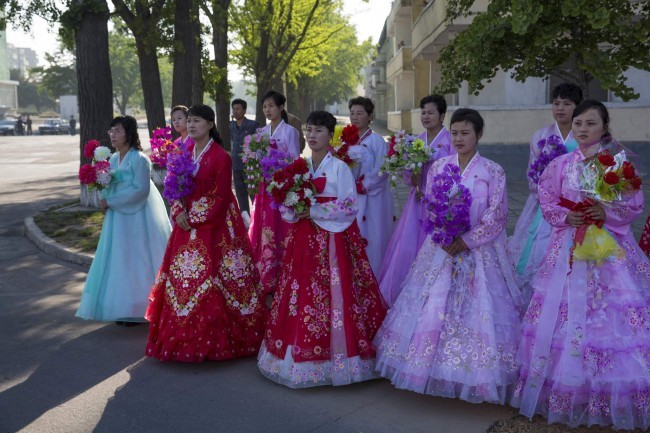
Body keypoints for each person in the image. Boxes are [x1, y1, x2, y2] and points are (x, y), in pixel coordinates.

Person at [511, 100, 650, 430]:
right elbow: (546, 198)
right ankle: (568, 389)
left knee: (608, 317)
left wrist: (607, 213)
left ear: (604, 126)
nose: (583, 129)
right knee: (560, 316)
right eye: (578, 124)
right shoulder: (559, 165)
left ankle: (609, 392)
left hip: (606, 250)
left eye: (591, 123)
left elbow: (633, 204)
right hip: (568, 248)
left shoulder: (616, 164)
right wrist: (565, 216)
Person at [373, 108, 523, 404]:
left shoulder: (493, 171)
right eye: (454, 132)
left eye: (465, 132)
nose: (458, 138)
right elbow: (429, 205)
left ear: (479, 135)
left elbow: (498, 215)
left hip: (480, 250)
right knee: (434, 305)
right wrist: (444, 232)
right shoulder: (439, 166)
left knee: (480, 306)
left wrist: (467, 240)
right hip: (441, 247)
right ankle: (430, 369)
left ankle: (475, 374)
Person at [258, 111, 386, 388]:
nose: (312, 135)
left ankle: (340, 358)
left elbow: (349, 206)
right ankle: (298, 354)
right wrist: (293, 208)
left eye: (318, 130)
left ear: (330, 135)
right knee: (301, 292)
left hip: (332, 240)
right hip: (303, 240)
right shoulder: (299, 166)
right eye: (309, 130)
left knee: (334, 293)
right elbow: (286, 203)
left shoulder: (339, 168)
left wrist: (312, 208)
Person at [145, 104, 266, 362]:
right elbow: (173, 184)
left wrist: (193, 218)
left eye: (197, 121)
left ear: (210, 124)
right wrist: (178, 210)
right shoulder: (184, 150)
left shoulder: (221, 157)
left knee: (215, 279)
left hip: (216, 226)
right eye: (189, 121)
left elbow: (220, 197)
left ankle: (222, 340)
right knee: (183, 281)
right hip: (185, 222)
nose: (191, 125)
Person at [76, 115, 171, 324]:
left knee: (138, 259)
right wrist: (103, 198)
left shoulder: (139, 159)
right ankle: (121, 307)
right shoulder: (111, 159)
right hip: (118, 218)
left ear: (129, 133)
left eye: (117, 131)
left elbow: (141, 191)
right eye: (111, 131)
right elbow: (106, 183)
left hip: (138, 218)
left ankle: (141, 307)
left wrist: (112, 201)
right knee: (120, 259)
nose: (113, 135)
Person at [378, 94, 454, 306]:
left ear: (441, 115)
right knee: (409, 247)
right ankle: (407, 295)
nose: (426, 116)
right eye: (423, 112)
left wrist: (434, 192)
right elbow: (408, 177)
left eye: (431, 112)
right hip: (417, 202)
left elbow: (456, 174)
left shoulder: (449, 141)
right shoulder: (416, 141)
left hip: (440, 204)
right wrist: (412, 176)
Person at [509, 83, 583, 299]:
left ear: (577, 107)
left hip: (575, 206)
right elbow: (532, 173)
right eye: (556, 103)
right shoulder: (542, 135)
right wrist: (548, 195)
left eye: (567, 104)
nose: (560, 108)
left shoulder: (583, 135)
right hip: (543, 205)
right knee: (536, 249)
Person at [248, 90, 301, 296]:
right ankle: (266, 272)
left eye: (271, 106)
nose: (268, 110)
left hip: (282, 186)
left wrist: (279, 167)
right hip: (265, 188)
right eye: (264, 107)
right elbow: (254, 159)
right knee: (265, 227)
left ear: (281, 107)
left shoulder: (290, 132)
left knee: (282, 227)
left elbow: (295, 159)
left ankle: (284, 272)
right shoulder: (261, 133)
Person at [348, 96, 395, 276]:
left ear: (369, 116)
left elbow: (382, 168)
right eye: (352, 113)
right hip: (352, 196)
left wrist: (366, 183)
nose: (355, 117)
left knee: (374, 237)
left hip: (373, 197)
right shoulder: (347, 140)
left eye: (360, 113)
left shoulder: (377, 141)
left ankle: (376, 276)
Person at [229, 98, 260, 215]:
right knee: (241, 197)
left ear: (244, 110)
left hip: (250, 167)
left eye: (238, 109)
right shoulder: (231, 125)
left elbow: (259, 144)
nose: (235, 111)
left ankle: (258, 221)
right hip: (236, 166)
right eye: (234, 109)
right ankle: (245, 222)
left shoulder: (253, 125)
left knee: (254, 196)